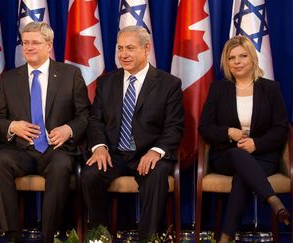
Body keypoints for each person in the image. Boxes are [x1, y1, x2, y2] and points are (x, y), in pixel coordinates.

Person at [0, 22, 90, 243]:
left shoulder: (70, 74)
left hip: (56, 149)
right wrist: (12, 126)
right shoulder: (9, 79)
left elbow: (85, 116)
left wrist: (68, 129)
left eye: (35, 42)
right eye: (25, 43)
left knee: (62, 165)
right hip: (20, 150)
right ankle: (12, 235)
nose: (29, 47)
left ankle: (47, 236)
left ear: (49, 45)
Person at [81, 25, 184, 240]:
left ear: (146, 49)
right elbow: (95, 120)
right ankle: (102, 236)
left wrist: (156, 152)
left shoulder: (168, 84)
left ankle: (148, 238)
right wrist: (99, 147)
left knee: (156, 176)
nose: (123, 55)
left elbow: (174, 127)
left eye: (130, 48)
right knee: (90, 175)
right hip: (114, 154)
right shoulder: (106, 82)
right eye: (120, 49)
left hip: (149, 153)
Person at [199, 35, 290, 243]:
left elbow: (281, 128)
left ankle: (225, 238)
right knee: (236, 154)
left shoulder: (270, 88)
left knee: (243, 176)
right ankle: (273, 199)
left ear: (252, 59)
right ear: (226, 62)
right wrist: (228, 132)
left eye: (242, 56)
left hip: (262, 156)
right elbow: (205, 127)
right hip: (226, 156)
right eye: (231, 58)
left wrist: (256, 144)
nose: (237, 62)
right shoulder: (219, 89)